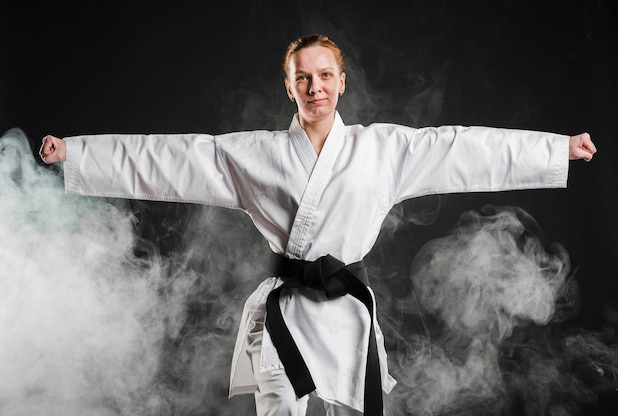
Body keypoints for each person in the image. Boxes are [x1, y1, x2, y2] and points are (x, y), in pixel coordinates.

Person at [39, 33, 596, 416]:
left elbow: (462, 148)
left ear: (342, 82)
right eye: (302, 78)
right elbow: (173, 158)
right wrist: (76, 154)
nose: (315, 87)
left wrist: (556, 150)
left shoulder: (384, 149)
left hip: (347, 312)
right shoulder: (253, 155)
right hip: (285, 312)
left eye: (324, 75)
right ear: (289, 87)